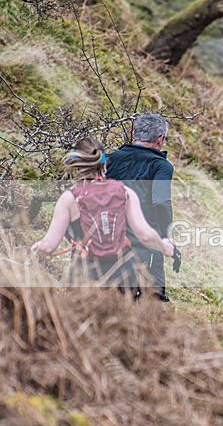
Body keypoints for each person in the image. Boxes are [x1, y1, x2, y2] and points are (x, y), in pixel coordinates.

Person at [31, 138, 175, 290]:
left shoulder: (69, 198)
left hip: (84, 277)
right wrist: (164, 246)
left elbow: (48, 247)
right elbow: (145, 234)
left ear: (76, 167)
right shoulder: (125, 193)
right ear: (105, 163)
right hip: (123, 275)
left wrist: (36, 251)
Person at [106, 113, 174, 302]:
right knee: (153, 306)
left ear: (133, 133)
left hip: (105, 244)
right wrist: (167, 236)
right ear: (160, 139)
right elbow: (161, 202)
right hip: (145, 248)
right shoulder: (161, 166)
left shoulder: (109, 160)